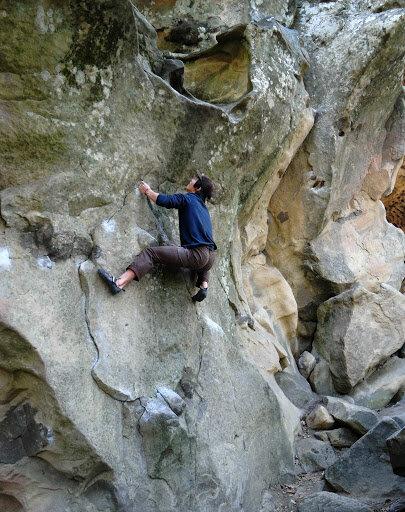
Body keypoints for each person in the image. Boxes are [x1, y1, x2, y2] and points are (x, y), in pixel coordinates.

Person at [97, 174, 217, 302]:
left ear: (197, 188)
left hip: (197, 255)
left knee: (151, 253)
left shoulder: (188, 199)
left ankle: (118, 283)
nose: (191, 179)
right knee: (202, 261)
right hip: (210, 257)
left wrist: (148, 191)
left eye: (194, 179)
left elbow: (165, 200)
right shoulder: (204, 210)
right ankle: (204, 286)